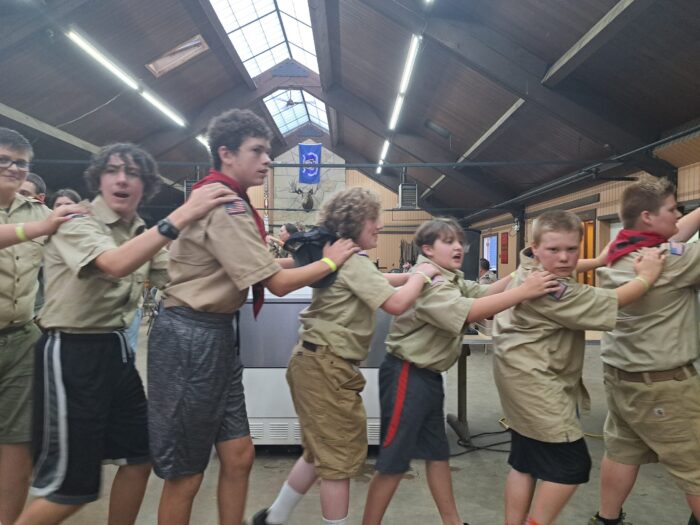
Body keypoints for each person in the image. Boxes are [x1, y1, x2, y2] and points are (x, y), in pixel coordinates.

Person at [146, 109, 358, 525]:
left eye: (268, 151)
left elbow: (258, 266)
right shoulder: (222, 203)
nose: (268, 160)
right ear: (226, 154)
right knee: (186, 474)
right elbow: (276, 283)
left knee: (240, 455)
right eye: (257, 151)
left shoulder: (234, 202)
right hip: (189, 337)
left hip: (217, 335)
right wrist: (330, 263)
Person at [14, 142, 236, 525]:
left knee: (140, 457)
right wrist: (181, 216)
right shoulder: (78, 221)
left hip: (116, 353)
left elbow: (185, 275)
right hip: (71, 354)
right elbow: (114, 264)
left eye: (132, 173)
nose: (121, 179)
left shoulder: (139, 232)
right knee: (73, 487)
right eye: (113, 170)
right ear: (98, 179)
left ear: (145, 185)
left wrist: (277, 266)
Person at [253, 188, 445, 525]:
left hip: (315, 363)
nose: (381, 225)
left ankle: (274, 517)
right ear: (356, 222)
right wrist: (421, 275)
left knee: (318, 452)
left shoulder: (351, 262)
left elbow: (381, 280)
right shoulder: (353, 261)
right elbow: (396, 304)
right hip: (327, 367)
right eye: (375, 218)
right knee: (338, 461)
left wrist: (417, 277)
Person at [361, 217, 561, 525]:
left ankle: (453, 522)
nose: (458, 247)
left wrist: (529, 267)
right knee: (394, 460)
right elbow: (471, 310)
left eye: (459, 241)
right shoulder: (429, 280)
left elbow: (485, 291)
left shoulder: (450, 276)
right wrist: (525, 291)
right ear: (427, 249)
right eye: (448, 241)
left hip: (428, 376)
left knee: (438, 454)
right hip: (406, 375)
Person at [491, 209, 665, 525]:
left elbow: (564, 263)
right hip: (537, 388)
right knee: (571, 467)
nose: (564, 258)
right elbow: (608, 301)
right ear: (536, 246)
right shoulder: (554, 290)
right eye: (554, 250)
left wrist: (598, 262)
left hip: (517, 383)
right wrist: (647, 276)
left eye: (572, 249)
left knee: (525, 463)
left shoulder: (528, 267)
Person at [591, 176, 700, 525]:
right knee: (696, 466)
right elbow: (678, 246)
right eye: (672, 209)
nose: (679, 213)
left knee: (623, 451)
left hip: (622, 380)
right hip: (664, 387)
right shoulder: (669, 262)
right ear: (649, 217)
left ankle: (606, 520)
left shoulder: (620, 253)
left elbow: (676, 234)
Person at [0, 128, 85, 525]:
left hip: (21, 338)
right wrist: (42, 227)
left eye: (21, 162)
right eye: (5, 160)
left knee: (17, 442)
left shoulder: (37, 212)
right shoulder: (38, 222)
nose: (14, 168)